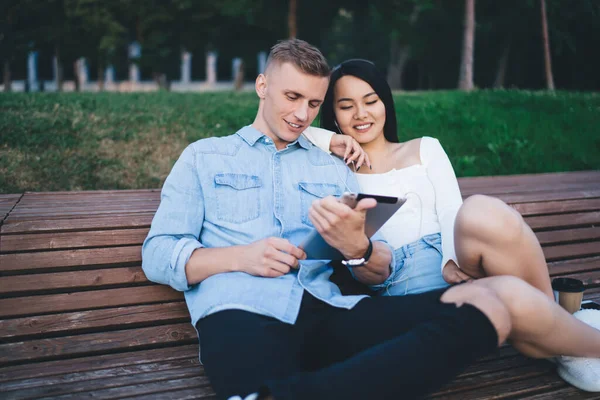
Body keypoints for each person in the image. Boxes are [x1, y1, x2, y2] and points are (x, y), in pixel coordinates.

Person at [142, 40, 600, 400]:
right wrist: (240, 256)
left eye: (313, 103)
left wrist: (357, 247)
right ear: (262, 86)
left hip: (334, 311)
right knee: (255, 386)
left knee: (498, 295)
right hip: (243, 313)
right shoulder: (205, 157)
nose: (301, 114)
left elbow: (371, 268)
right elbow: (158, 253)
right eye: (291, 96)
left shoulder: (333, 168)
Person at [302, 59, 551, 299]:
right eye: (346, 106)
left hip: (452, 258)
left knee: (483, 211)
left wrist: (451, 261)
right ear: (333, 114)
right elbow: (287, 128)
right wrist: (331, 140)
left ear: (385, 104)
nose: (361, 114)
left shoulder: (425, 148)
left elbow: (451, 210)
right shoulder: (335, 172)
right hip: (395, 276)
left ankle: (551, 313)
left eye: (371, 101)